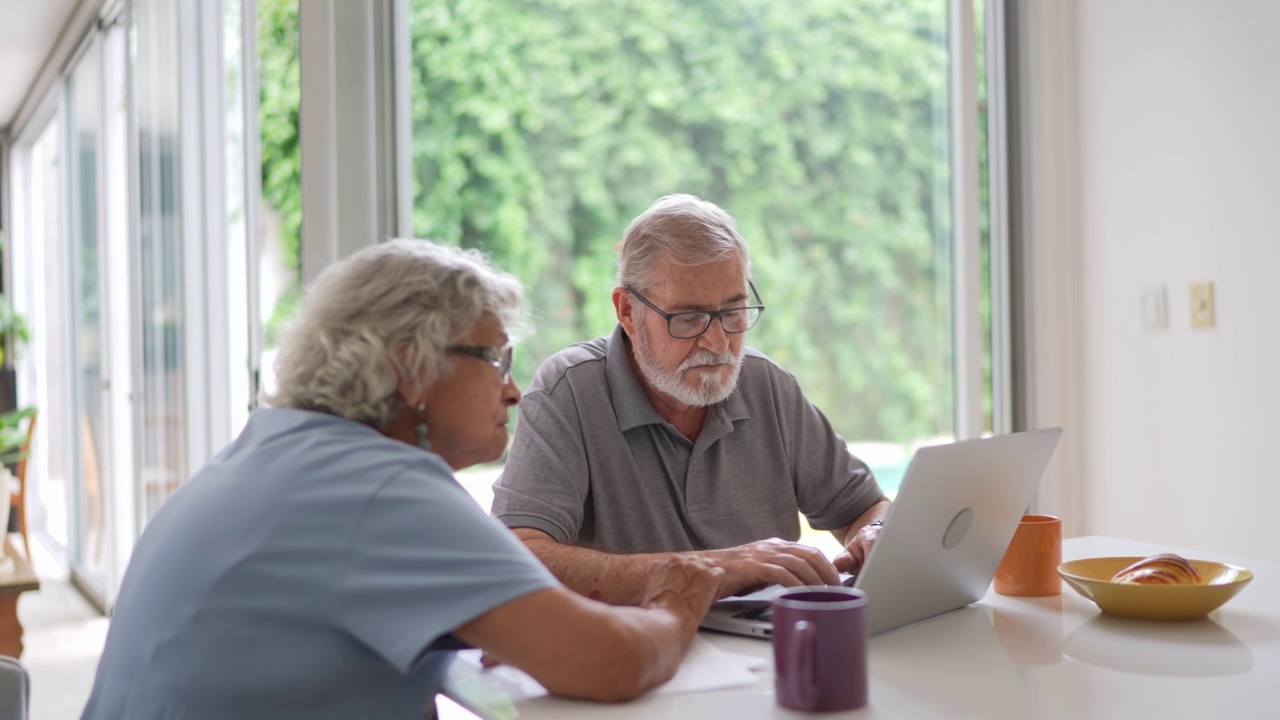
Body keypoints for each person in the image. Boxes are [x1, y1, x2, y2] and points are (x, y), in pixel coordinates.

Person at [81, 239, 722, 719]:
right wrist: (679, 598)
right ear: (409, 367)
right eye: (494, 358)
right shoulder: (380, 487)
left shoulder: (277, 450)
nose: (514, 390)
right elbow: (610, 662)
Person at [491, 194, 891, 606]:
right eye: (688, 318)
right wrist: (711, 571)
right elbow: (513, 556)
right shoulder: (569, 391)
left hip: (765, 651)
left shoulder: (767, 385)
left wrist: (877, 534)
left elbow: (866, 508)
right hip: (640, 655)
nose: (718, 342)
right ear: (627, 310)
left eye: (733, 313)